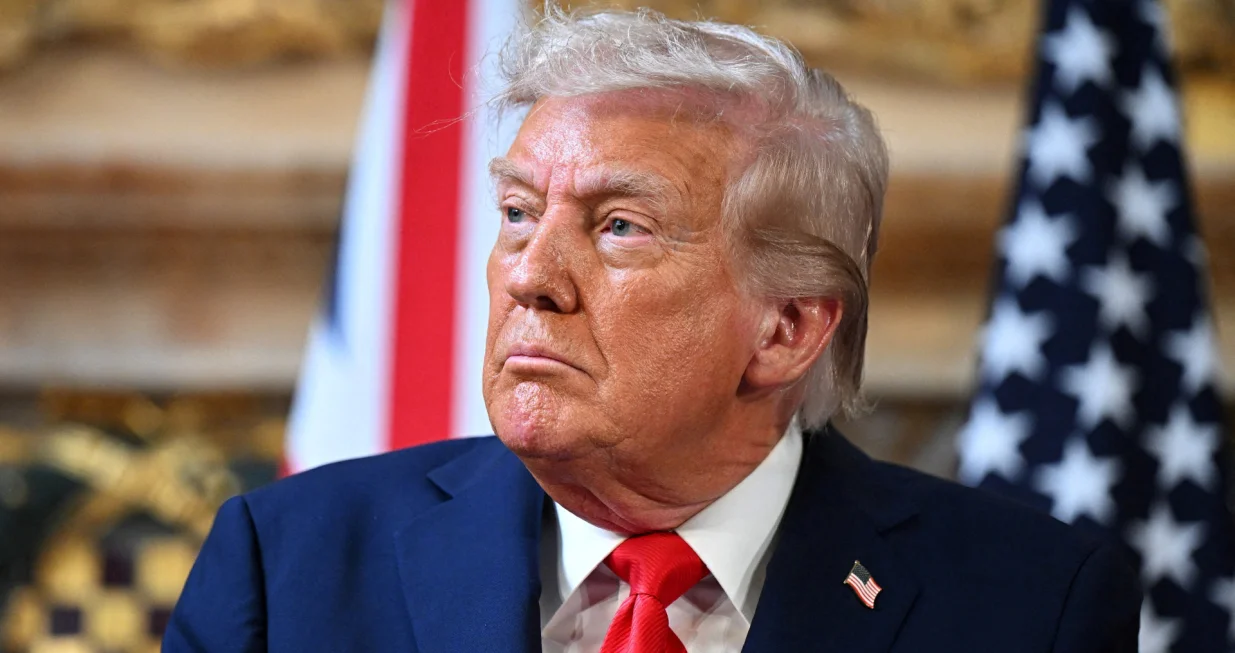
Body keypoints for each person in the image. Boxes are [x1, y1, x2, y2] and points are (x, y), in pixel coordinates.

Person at [164, 8, 1140, 652]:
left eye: (617, 226)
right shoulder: (284, 568)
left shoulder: (1029, 605)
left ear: (787, 328)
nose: (529, 277)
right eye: (515, 212)